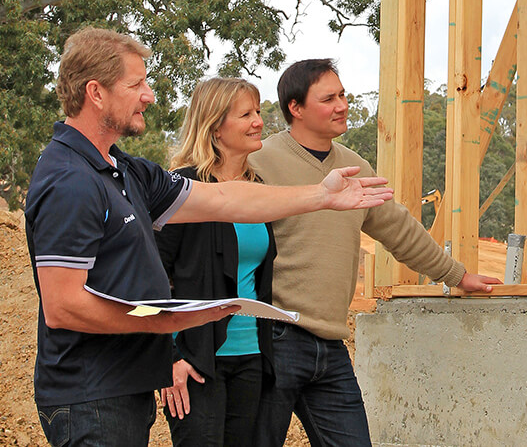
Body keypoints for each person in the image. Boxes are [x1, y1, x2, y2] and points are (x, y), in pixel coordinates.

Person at [25, 28, 392, 447]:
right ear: (96, 92)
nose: (149, 95)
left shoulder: (125, 171)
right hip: (89, 396)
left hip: (123, 390)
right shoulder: (70, 180)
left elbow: (221, 200)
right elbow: (63, 306)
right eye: (136, 84)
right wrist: (169, 325)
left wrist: (320, 196)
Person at [249, 58, 502, 446]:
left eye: (343, 95)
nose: (342, 105)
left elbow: (398, 228)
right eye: (329, 98)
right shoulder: (260, 162)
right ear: (295, 109)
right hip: (274, 339)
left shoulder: (354, 166)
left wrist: (456, 275)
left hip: (331, 343)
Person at [154, 77, 276, 446]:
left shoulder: (260, 189)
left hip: (252, 357)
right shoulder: (182, 189)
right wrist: (172, 356)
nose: (258, 121)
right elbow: (152, 277)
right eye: (246, 114)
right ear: (215, 127)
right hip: (196, 362)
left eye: (257, 111)